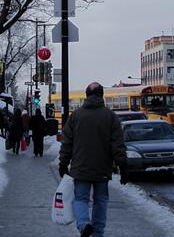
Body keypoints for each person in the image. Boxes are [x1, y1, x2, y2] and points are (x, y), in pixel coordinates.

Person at [59, 82, 127, 237]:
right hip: (102, 169)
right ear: (102, 95)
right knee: (101, 201)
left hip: (80, 168)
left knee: (81, 199)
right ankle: (97, 233)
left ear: (86, 95)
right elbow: (117, 144)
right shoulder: (110, 117)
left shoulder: (76, 116)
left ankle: (83, 225)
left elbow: (66, 142)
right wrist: (123, 166)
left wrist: (63, 163)